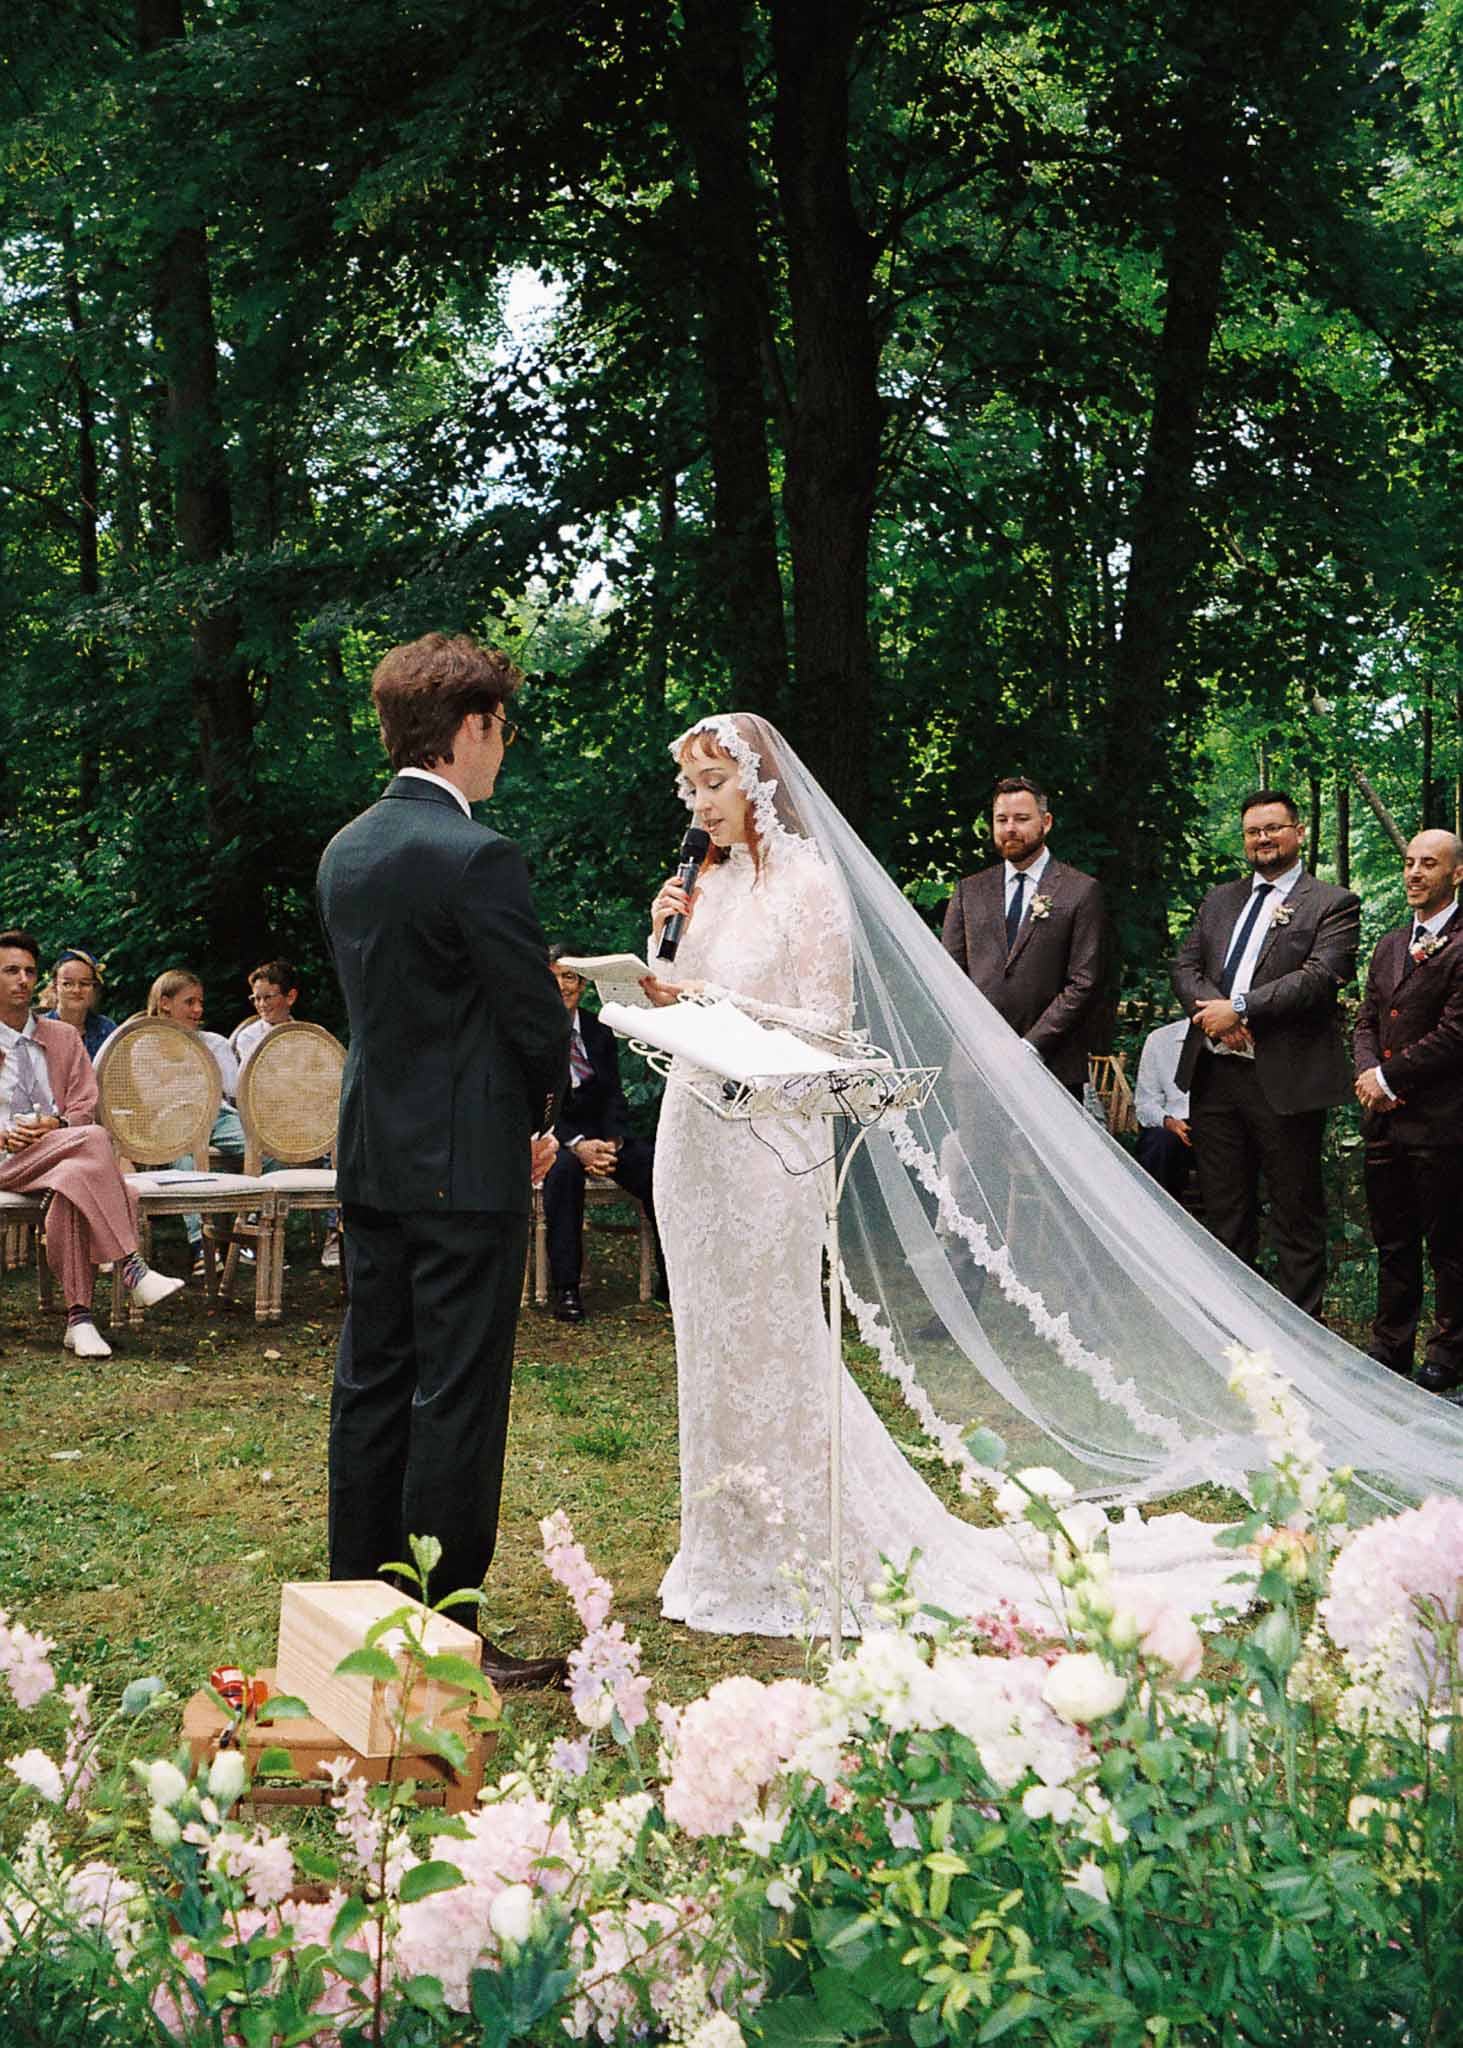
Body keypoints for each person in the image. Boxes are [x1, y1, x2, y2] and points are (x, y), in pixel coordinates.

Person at [628, 716, 1463, 1641]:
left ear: (758, 785)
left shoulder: (812, 885)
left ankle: (798, 1527)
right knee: (708, 1340)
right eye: (690, 790)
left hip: (767, 1140)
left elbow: (825, 1021)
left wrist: (718, 1000)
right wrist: (665, 944)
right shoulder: (700, 887)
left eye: (712, 785)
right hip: (692, 1133)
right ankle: (724, 1535)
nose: (698, 805)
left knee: (771, 1330)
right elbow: (676, 1000)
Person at [317, 632, 570, 1690]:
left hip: (374, 1151)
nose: (501, 751)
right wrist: (546, 1103)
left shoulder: (347, 847)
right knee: (456, 1396)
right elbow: (523, 1016)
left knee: (372, 1380)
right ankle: (448, 1631)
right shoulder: (478, 854)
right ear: (468, 728)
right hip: (465, 1167)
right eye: (499, 731)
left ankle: (352, 1614)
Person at [1171, 791, 1360, 1318]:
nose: (1263, 839)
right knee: (1225, 1207)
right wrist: (1214, 1014)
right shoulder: (1219, 900)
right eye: (1254, 831)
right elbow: (1184, 967)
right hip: (1215, 1077)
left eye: (1274, 828)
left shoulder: (1333, 903)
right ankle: (1233, 1326)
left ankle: (1303, 1329)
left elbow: (1321, 978)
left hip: (1284, 1080)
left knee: (1295, 1211)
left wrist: (1240, 1009)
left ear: (1298, 832)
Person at [0, 929, 184, 1357]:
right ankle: (131, 1267)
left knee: (73, 1180)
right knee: (95, 1140)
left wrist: (56, 1123)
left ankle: (79, 1320)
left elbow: (84, 1102)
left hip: (60, 1152)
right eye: (11, 971)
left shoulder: (63, 1036)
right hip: (6, 1156)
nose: (23, 980)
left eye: (29, 971)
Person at [1353, 828, 1463, 1394]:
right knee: (1392, 1241)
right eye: (1409, 863)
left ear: (1456, 874)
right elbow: (1368, 1018)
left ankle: (1448, 1351)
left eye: (1429, 864)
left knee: (1449, 1245)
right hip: (1385, 1121)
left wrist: (1389, 1077)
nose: (1415, 873)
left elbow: (1455, 1034)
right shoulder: (1391, 944)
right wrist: (1368, 1073)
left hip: (1443, 1123)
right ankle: (1389, 1344)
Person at [939, 777, 1112, 1097]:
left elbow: (1084, 982)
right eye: (1001, 820)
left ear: (1045, 822)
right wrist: (983, 1042)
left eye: (1021, 819)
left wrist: (1031, 1046)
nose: (1010, 829)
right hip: (975, 1064)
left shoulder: (1081, 891)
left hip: (1051, 1064)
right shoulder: (969, 891)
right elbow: (950, 977)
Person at [542, 944, 660, 1323]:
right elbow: (531, 1103)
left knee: (657, 1165)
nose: (561, 986)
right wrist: (577, 1146)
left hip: (602, 1138)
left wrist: (612, 1142)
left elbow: (612, 1093)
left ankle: (671, 1277)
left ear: (584, 984)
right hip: (554, 1137)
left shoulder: (597, 1029)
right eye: (553, 977)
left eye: (570, 977)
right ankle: (567, 1290)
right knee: (562, 1174)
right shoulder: (530, 1033)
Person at [231, 961, 340, 1269]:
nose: (262, 1004)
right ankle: (256, 1226)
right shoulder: (250, 1038)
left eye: (268, 997)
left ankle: (335, 1231)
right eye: (257, 998)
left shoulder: (310, 1036)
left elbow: (327, 1082)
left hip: (308, 1117)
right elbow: (258, 1087)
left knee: (338, 1138)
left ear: (290, 997)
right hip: (267, 1117)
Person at [147, 969, 245, 1276]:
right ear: (164, 1002)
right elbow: (149, 1097)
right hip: (171, 1121)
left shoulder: (213, 1043)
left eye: (200, 1002)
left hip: (217, 1117)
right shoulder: (144, 1044)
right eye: (189, 1002)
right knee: (186, 1156)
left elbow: (229, 1089)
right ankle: (201, 1245)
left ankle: (249, 1232)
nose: (198, 1010)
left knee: (264, 1145)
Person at [1133, 1016, 1193, 1199]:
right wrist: (1168, 1122)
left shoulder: (1237, 1036)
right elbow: (1145, 1102)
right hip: (1176, 1122)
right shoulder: (1160, 1040)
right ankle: (1158, 1214)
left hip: (1221, 1125)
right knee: (1160, 1142)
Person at [43, 948, 118, 1060]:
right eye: (67, 984)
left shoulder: (107, 1029)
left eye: (84, 983)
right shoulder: (38, 1031)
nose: (77, 990)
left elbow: (120, 1074)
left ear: (94, 988)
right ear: (55, 987)